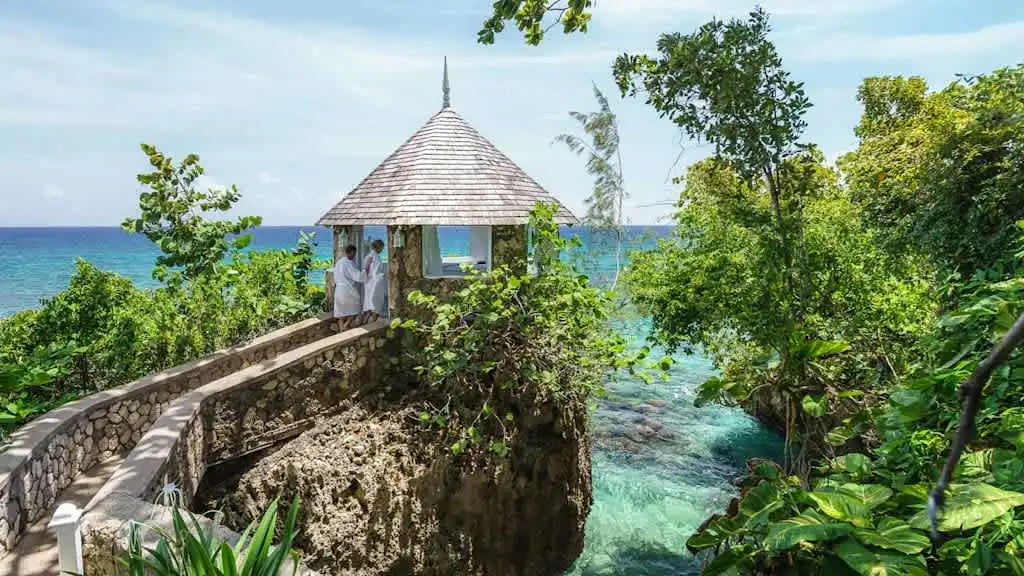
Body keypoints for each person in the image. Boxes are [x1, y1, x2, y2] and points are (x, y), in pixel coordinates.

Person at [333, 244, 365, 317]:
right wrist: (365, 269)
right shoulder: (348, 263)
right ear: (352, 252)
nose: (354, 256)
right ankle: (345, 326)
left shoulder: (339, 262)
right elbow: (358, 277)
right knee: (354, 310)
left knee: (340, 312)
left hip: (338, 290)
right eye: (354, 253)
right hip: (347, 290)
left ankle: (342, 327)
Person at [362, 239, 387, 316]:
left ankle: (366, 323)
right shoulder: (376, 257)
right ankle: (372, 323)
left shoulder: (368, 256)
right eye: (382, 248)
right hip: (374, 284)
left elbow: (365, 270)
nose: (382, 250)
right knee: (375, 308)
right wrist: (385, 275)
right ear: (379, 247)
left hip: (368, 283)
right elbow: (376, 273)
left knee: (368, 305)